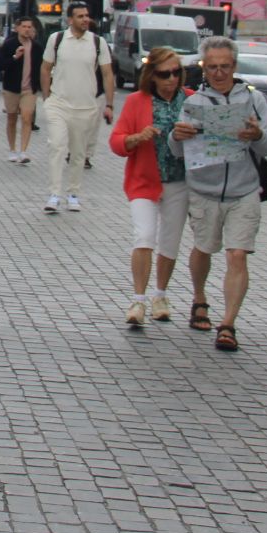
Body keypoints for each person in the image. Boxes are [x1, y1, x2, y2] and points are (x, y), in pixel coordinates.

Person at [172, 37, 267, 351]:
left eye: (225, 66)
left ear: (235, 66)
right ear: (205, 66)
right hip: (204, 188)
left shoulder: (254, 100)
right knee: (204, 248)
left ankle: (228, 323)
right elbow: (177, 150)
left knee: (237, 253)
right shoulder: (193, 102)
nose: (219, 73)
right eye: (213, 67)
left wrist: (256, 135)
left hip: (244, 189)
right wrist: (177, 136)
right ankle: (200, 298)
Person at [109, 47, 193, 328]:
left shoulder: (191, 99)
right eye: (164, 74)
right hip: (144, 180)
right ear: (152, 76)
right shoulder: (137, 101)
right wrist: (137, 137)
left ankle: (161, 295)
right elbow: (117, 142)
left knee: (170, 240)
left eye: (176, 72)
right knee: (144, 236)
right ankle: (138, 299)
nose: (171, 79)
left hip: (179, 181)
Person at [39, 5, 114, 213]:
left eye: (87, 16)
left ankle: (73, 193)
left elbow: (108, 74)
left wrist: (109, 104)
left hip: (85, 107)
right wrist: (47, 97)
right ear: (70, 19)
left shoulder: (98, 43)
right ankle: (54, 194)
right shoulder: (57, 39)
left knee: (78, 153)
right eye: (80, 16)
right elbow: (45, 68)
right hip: (59, 104)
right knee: (57, 145)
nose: (85, 19)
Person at [0, 16, 42, 165]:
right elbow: (1, 64)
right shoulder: (9, 44)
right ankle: (12, 150)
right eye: (24, 26)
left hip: (29, 89)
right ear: (17, 28)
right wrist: (15, 57)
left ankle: (23, 151)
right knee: (11, 118)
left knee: (27, 117)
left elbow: (41, 68)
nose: (27, 29)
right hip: (12, 88)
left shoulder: (36, 47)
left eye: (30, 27)